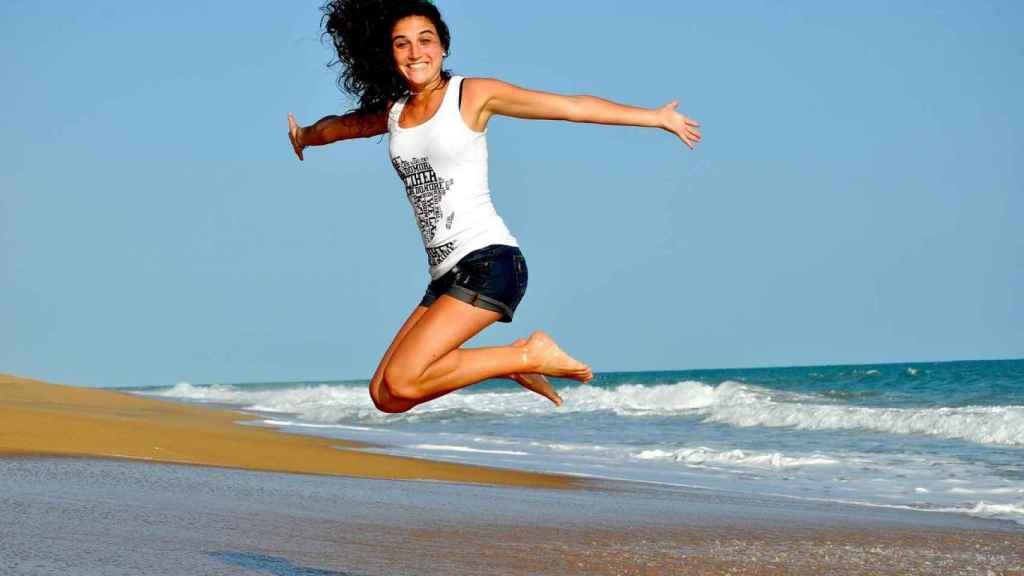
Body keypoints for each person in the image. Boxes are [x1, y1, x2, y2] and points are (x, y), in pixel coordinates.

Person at [288, 0, 701, 414]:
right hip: (446, 274)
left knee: (403, 378)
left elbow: (570, 107)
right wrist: (304, 135)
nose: (416, 53)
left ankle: (527, 356)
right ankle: (509, 362)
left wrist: (655, 117)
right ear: (390, 54)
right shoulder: (396, 113)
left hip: (490, 263)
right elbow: (339, 127)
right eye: (402, 44)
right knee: (386, 395)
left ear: (443, 47)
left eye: (425, 40)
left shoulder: (472, 95)